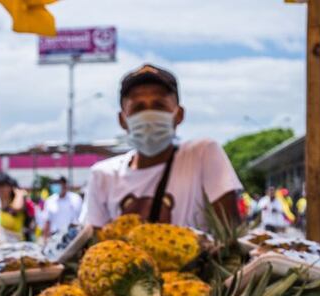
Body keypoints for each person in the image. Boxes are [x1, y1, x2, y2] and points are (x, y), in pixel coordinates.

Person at [80, 64, 241, 231]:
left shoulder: (202, 154)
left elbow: (231, 232)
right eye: (138, 108)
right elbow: (94, 242)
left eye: (159, 106)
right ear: (122, 120)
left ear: (179, 115)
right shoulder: (103, 175)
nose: (148, 115)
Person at [0, 174, 35, 244]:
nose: (0, 189)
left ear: (11, 188)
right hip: (0, 246)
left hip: (17, 247)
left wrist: (19, 193)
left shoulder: (18, 201)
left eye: (3, 186)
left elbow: (17, 207)